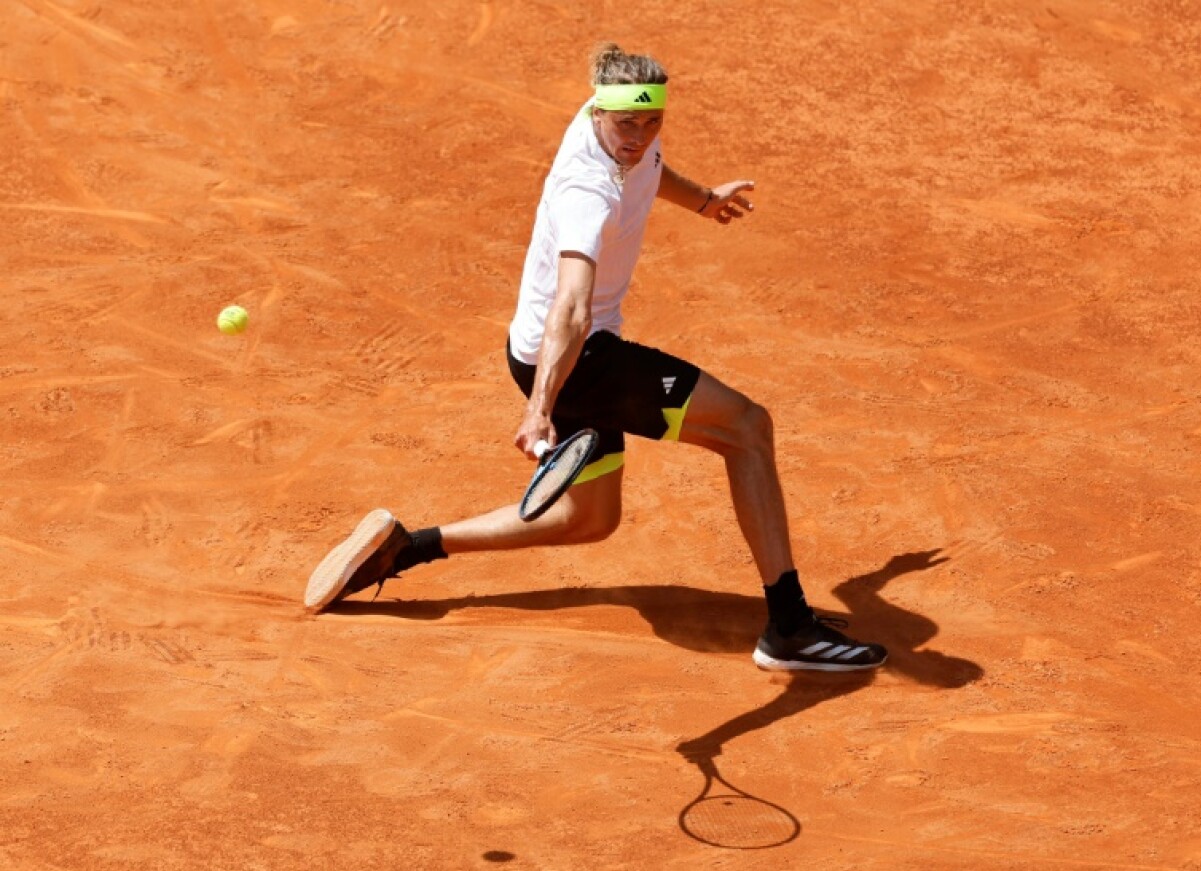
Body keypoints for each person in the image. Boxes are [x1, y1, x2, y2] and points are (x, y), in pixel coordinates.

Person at [304, 44, 887, 672]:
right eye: (627, 124)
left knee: (588, 519)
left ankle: (406, 548)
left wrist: (703, 199)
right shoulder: (587, 193)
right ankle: (790, 628)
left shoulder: (612, 121)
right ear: (598, 116)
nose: (639, 137)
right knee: (747, 428)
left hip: (540, 352)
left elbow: (650, 165)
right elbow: (573, 309)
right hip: (577, 357)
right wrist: (540, 410)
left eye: (652, 121)